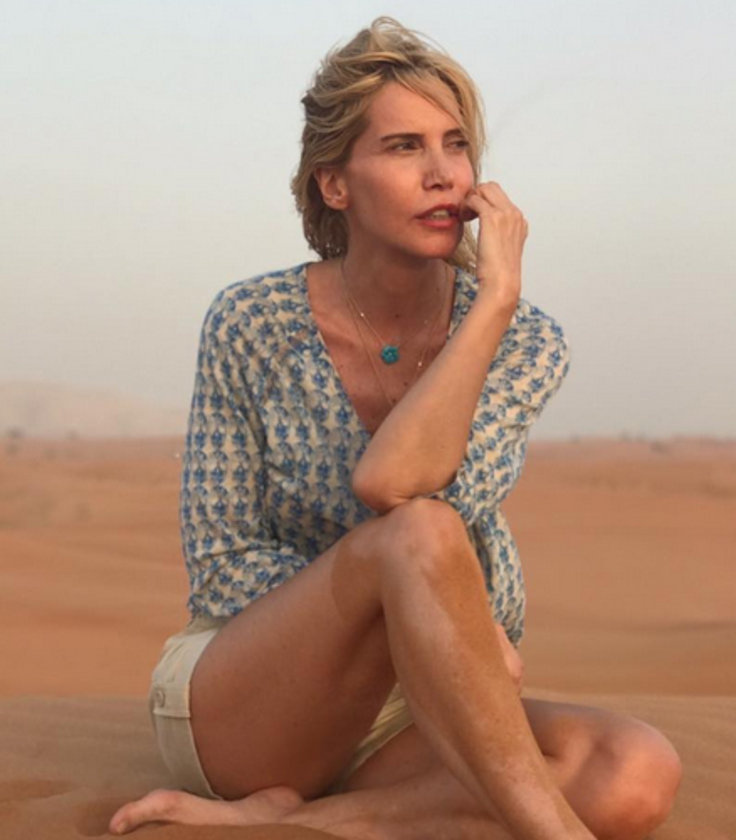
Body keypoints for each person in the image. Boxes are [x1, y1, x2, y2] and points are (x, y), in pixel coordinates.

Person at [109, 17, 681, 840]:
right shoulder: (251, 322)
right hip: (251, 697)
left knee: (635, 769)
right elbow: (230, 560)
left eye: (457, 145)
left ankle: (297, 822)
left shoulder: (522, 340)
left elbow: (414, 487)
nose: (443, 174)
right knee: (416, 534)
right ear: (335, 185)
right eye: (405, 147)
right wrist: (403, 616)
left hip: (405, 714)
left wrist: (493, 304)